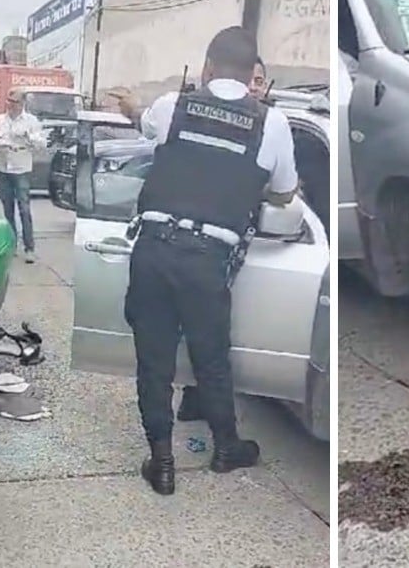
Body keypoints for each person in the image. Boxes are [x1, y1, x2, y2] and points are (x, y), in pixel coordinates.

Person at [124, 27, 299, 496]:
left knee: (154, 361)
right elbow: (284, 193)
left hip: (154, 247)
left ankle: (162, 464)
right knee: (212, 359)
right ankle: (226, 447)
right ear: (251, 75)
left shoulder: (171, 106)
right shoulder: (271, 123)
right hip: (208, 259)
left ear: (206, 67)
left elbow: (147, 132)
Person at [172, 54, 273, 425]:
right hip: (211, 241)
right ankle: (197, 397)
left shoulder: (274, 125)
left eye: (259, 81)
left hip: (255, 239)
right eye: (250, 78)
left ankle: (206, 397)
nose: (253, 87)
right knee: (205, 328)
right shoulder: (211, 122)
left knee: (213, 329)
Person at [0, 89, 46, 263]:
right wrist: (0, 142)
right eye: (9, 101)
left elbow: (41, 144)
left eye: (15, 102)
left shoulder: (31, 121)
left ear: (22, 104)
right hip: (3, 167)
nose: (11, 105)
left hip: (21, 168)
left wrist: (29, 137)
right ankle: (11, 244)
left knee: (24, 209)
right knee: (7, 209)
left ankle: (29, 247)